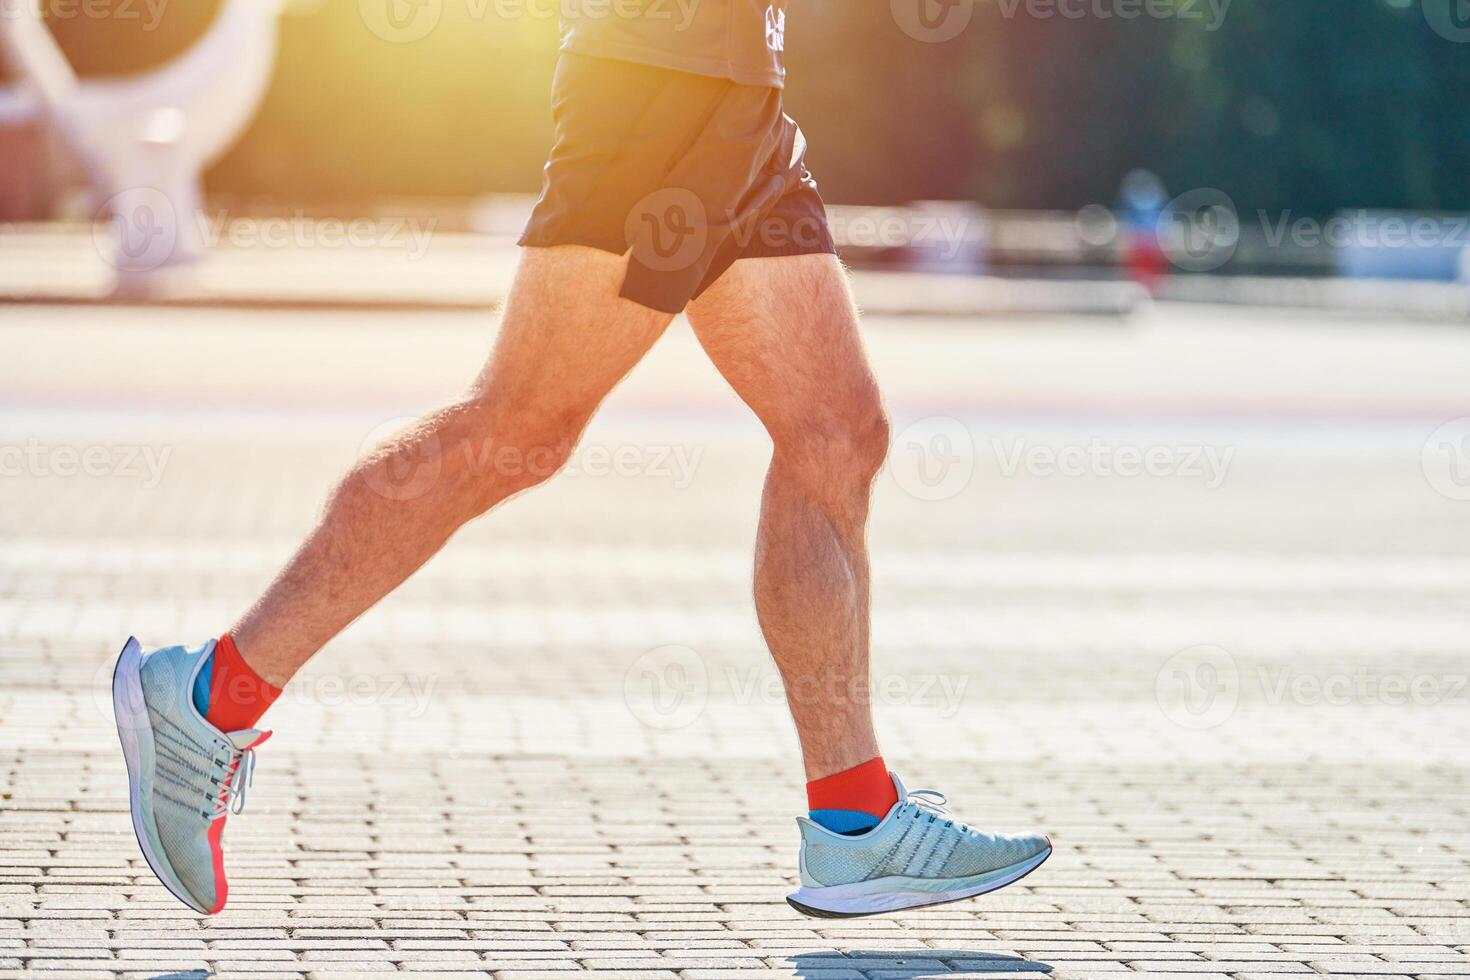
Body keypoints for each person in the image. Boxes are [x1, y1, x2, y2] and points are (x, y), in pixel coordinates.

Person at [110, 0, 1051, 919]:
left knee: (837, 433)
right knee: (517, 426)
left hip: (738, 87)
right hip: (664, 76)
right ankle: (209, 699)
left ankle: (856, 820)